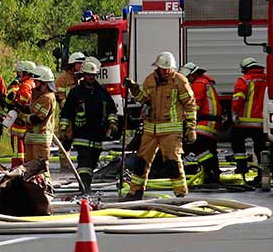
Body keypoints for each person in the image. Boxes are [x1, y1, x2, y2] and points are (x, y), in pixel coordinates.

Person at [125, 51, 196, 199]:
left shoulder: (179, 81)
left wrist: (191, 128)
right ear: (157, 67)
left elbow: (190, 105)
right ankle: (135, 191)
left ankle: (180, 193)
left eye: (168, 69)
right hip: (150, 129)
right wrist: (134, 88)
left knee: (173, 162)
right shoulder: (150, 80)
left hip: (171, 130)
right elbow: (144, 99)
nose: (165, 72)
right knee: (141, 161)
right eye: (163, 69)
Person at [59, 56, 117, 193]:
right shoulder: (75, 93)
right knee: (84, 161)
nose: (91, 77)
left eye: (93, 75)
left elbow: (111, 110)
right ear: (83, 75)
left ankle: (86, 184)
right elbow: (66, 112)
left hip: (98, 134)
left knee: (92, 163)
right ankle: (84, 187)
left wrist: (112, 123)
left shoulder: (102, 92)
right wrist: (64, 129)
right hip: (81, 133)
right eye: (89, 75)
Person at [180, 62, 222, 186]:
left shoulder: (199, 84)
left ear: (193, 75)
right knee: (209, 150)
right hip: (211, 123)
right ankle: (213, 176)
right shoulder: (205, 82)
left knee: (198, 147)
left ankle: (209, 172)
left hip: (205, 123)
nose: (187, 81)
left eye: (187, 78)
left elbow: (194, 105)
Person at [231, 57, 267, 180]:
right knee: (261, 148)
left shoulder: (244, 80)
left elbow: (238, 98)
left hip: (244, 123)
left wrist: (234, 113)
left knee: (238, 145)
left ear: (245, 69)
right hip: (262, 123)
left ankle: (241, 169)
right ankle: (263, 174)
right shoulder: (268, 79)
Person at [24, 65, 57, 185]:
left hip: (40, 139)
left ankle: (46, 186)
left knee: (41, 167)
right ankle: (32, 188)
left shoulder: (48, 98)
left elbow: (37, 118)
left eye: (36, 82)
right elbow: (32, 110)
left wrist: (22, 118)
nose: (34, 84)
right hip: (32, 138)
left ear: (44, 82)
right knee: (30, 167)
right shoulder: (39, 96)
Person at [5, 60, 37, 168]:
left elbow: (22, 101)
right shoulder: (35, 83)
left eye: (20, 72)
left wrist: (14, 102)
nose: (18, 74)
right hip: (29, 122)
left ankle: (17, 168)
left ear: (25, 72)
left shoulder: (26, 85)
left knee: (18, 150)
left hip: (19, 123)